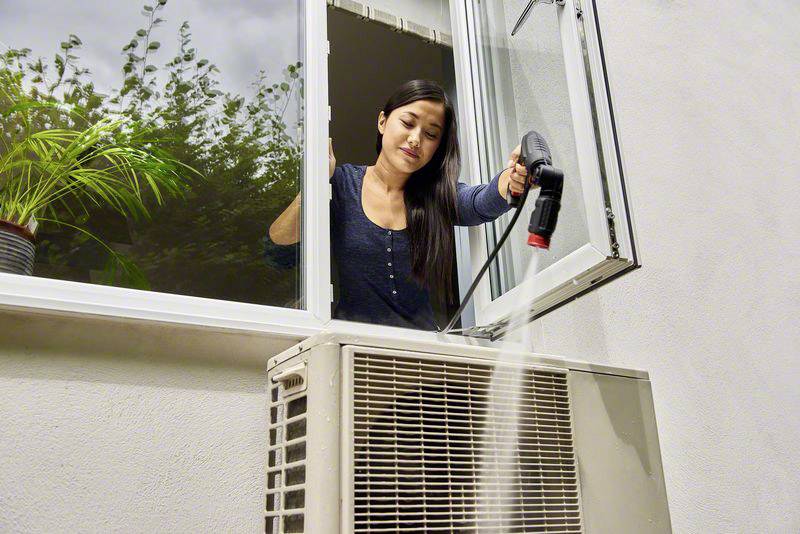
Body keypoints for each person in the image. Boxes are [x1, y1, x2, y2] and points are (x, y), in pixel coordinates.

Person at [266, 79, 529, 330]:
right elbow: (279, 244)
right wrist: (316, 183)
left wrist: (514, 177)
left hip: (421, 354)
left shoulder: (436, 196)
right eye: (408, 123)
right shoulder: (343, 184)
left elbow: (480, 201)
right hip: (352, 350)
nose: (416, 139)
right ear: (382, 121)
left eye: (430, 134)